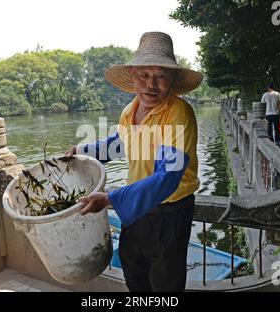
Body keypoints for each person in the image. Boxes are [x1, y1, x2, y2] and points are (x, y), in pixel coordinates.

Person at [64, 32, 203, 292]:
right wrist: (82, 150)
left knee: (165, 283)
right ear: (133, 77)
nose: (151, 84)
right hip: (136, 209)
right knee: (134, 270)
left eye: (160, 76)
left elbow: (167, 177)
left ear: (171, 79)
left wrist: (110, 198)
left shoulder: (178, 113)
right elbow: (121, 142)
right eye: (144, 75)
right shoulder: (131, 109)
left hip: (169, 212)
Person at [261, 83, 280, 148]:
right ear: (274, 87)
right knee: (277, 129)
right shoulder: (278, 94)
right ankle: (277, 142)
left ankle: (271, 141)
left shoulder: (264, 95)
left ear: (268, 87)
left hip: (268, 114)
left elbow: (262, 105)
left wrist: (263, 115)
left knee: (269, 129)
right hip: (276, 114)